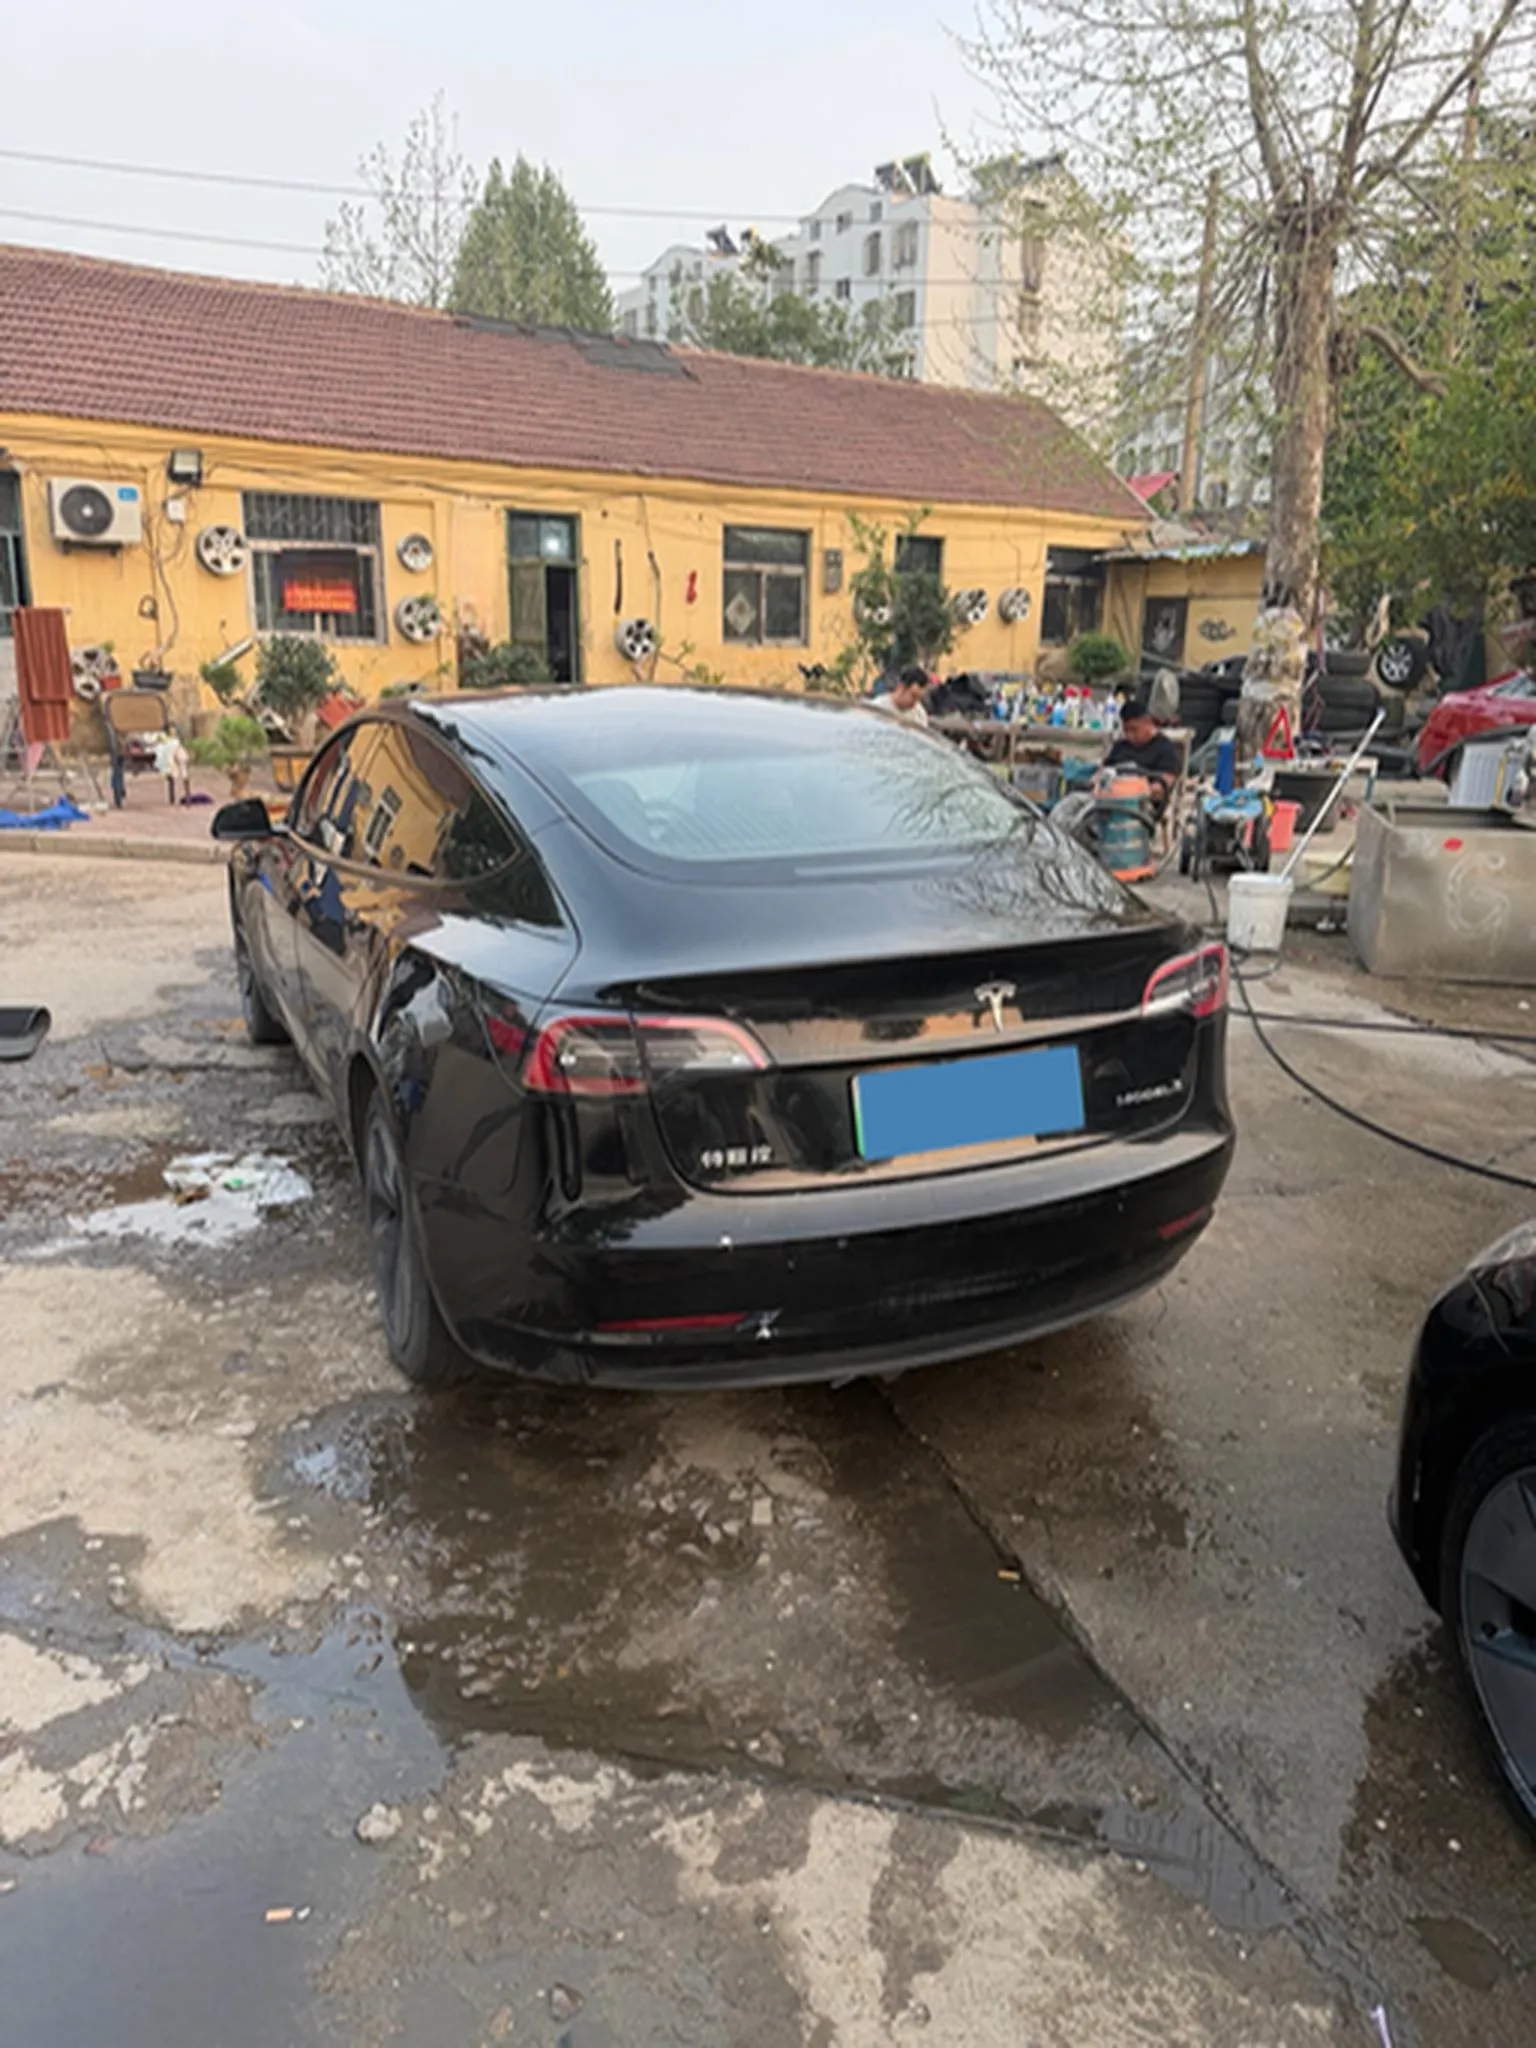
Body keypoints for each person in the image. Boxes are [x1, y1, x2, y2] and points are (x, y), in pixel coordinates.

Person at [1101, 697, 1181, 808]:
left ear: (1147, 722)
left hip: (1141, 805)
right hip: (1108, 798)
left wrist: (1133, 790)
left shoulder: (1165, 749)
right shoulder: (1120, 746)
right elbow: (1102, 772)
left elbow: (1164, 786)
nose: (1130, 735)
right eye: (1126, 731)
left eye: (1134, 730)